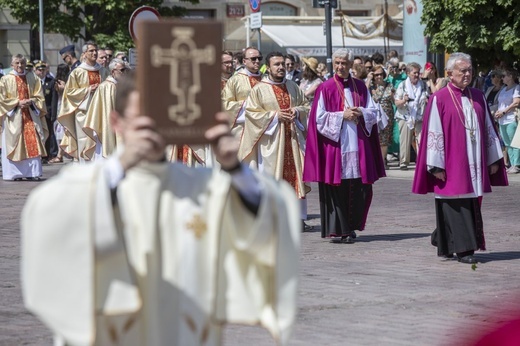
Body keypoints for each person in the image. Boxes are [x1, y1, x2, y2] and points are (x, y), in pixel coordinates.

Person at [21, 72, 300, 346]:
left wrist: (232, 165)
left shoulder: (197, 186)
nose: (153, 128)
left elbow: (270, 215)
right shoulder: (87, 183)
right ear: (116, 122)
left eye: (161, 118)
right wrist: (125, 164)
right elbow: (49, 224)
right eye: (142, 119)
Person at [412, 52, 508, 264]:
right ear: (449, 73)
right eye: (462, 71)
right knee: (455, 201)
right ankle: (464, 250)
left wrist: (493, 160)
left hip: (474, 160)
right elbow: (434, 132)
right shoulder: (440, 98)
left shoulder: (478, 95)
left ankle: (444, 241)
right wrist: (435, 165)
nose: (467, 74)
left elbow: (488, 129)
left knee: (468, 202)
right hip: (452, 162)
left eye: (469, 70)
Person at [303, 48, 386, 244]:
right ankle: (338, 229)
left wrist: (361, 112)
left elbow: (375, 112)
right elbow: (319, 119)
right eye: (337, 63)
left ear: (350, 65)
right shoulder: (325, 88)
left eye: (344, 63)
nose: (340, 67)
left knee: (358, 189)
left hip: (358, 147)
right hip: (336, 149)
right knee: (337, 189)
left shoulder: (360, 87)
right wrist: (342, 116)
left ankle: (350, 227)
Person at [238, 51, 311, 231]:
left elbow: (306, 106)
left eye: (282, 64)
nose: (280, 68)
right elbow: (251, 114)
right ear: (268, 67)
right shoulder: (259, 89)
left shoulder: (293, 86)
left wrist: (297, 112)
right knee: (271, 179)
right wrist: (274, 116)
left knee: (296, 177)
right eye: (276, 64)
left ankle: (298, 218)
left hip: (293, 141)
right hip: (271, 144)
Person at [58, 41, 109, 162]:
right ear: (84, 54)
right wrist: (87, 90)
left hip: (100, 112)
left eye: (96, 50)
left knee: (99, 139)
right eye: (91, 50)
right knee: (84, 140)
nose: (94, 53)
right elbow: (69, 93)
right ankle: (85, 169)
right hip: (83, 113)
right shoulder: (78, 72)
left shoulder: (103, 71)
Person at [0, 54, 48, 181]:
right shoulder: (6, 79)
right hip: (14, 117)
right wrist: (17, 103)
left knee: (33, 140)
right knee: (14, 142)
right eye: (17, 63)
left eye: (22, 63)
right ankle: (14, 173)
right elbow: (2, 99)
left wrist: (31, 101)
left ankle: (32, 172)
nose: (20, 65)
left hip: (30, 115)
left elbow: (40, 97)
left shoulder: (33, 77)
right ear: (12, 65)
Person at [82, 58, 126, 161]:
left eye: (125, 70)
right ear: (113, 71)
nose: (124, 73)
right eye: (122, 70)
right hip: (106, 129)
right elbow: (105, 112)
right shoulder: (106, 87)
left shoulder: (120, 85)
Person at [221, 46, 263, 139]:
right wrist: (248, 105)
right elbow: (225, 105)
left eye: (259, 58)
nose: (257, 61)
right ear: (244, 61)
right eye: (253, 59)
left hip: (265, 128)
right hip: (243, 129)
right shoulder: (235, 80)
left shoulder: (266, 79)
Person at [394, 62, 429, 170]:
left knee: (421, 139)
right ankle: (404, 162)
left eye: (418, 73)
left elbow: (428, 98)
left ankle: (421, 162)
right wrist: (404, 100)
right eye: (415, 73)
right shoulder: (402, 85)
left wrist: (427, 100)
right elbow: (396, 102)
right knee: (405, 140)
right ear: (408, 73)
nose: (417, 75)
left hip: (419, 116)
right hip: (405, 116)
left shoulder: (423, 85)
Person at [495, 67, 520, 173]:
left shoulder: (517, 87)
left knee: (515, 142)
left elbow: (516, 102)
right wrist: (497, 111)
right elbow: (500, 103)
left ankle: (517, 164)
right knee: (507, 143)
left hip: (511, 118)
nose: (502, 78)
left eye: (504, 76)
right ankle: (511, 164)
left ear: (510, 77)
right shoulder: (503, 89)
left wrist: (504, 111)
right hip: (502, 120)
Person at [369, 64, 395, 169]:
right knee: (375, 139)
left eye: (380, 74)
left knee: (384, 140)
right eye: (376, 75)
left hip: (387, 116)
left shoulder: (389, 86)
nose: (379, 77)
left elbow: (394, 99)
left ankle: (382, 161)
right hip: (373, 116)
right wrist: (368, 79)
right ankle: (377, 160)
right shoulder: (370, 87)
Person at [34, 60, 58, 162]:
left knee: (47, 134)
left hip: (47, 113)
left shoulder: (51, 81)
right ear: (35, 71)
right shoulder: (33, 81)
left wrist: (53, 114)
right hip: (35, 112)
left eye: (43, 70)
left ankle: (46, 155)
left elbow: (53, 99)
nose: (41, 72)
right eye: (39, 70)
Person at [48, 63, 70, 163]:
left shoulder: (57, 81)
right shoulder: (62, 82)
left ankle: (60, 154)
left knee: (60, 130)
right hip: (63, 107)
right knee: (62, 130)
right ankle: (61, 154)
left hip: (60, 107)